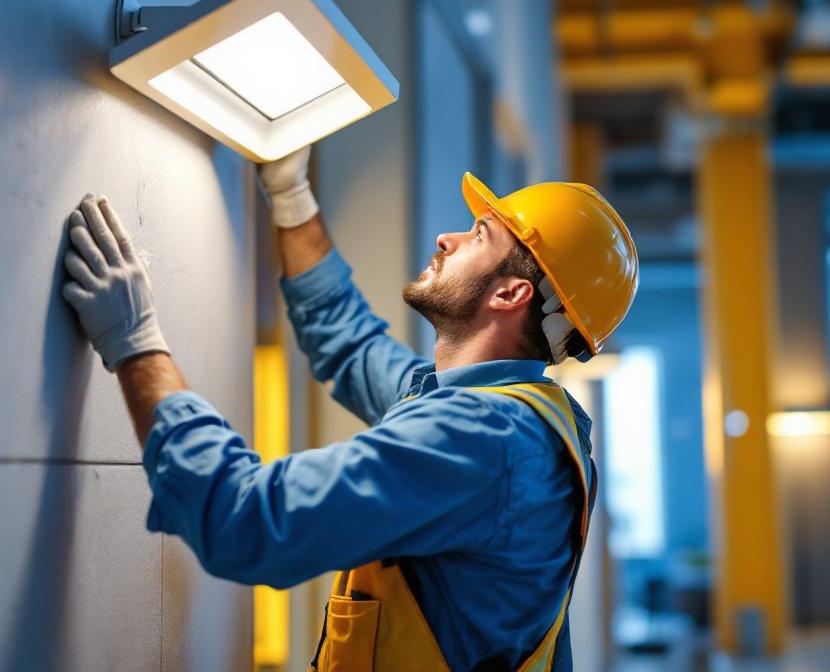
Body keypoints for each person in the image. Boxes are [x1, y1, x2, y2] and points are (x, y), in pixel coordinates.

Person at [60, 146, 637, 671]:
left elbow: (246, 520)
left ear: (510, 294)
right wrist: (291, 195)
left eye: (479, 235)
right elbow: (350, 342)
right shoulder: (504, 415)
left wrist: (136, 344)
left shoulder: (483, 439)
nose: (447, 238)